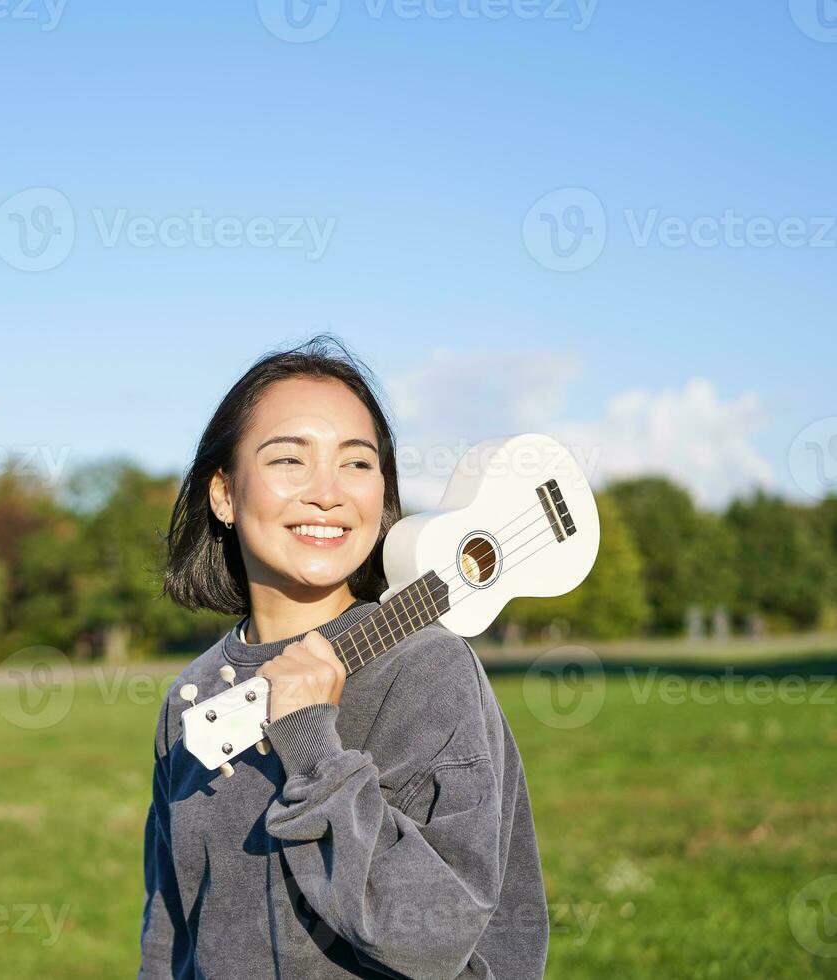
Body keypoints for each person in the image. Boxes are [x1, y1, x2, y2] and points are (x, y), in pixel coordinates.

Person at [138, 335, 549, 979]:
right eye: (289, 460)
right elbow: (171, 929)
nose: (328, 492)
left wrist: (312, 749)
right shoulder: (192, 696)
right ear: (223, 493)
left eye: (357, 464)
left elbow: (434, 937)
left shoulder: (428, 670)